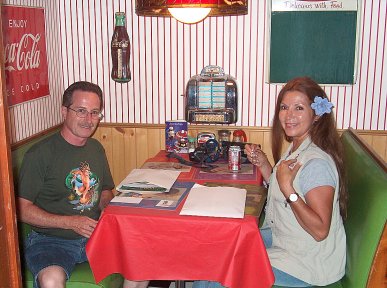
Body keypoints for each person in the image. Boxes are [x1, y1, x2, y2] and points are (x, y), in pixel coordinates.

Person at [193, 76, 347, 287]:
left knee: (214, 278)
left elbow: (320, 230)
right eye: (284, 107)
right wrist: (265, 166)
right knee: (220, 248)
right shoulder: (297, 147)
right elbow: (286, 182)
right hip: (286, 239)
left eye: (299, 108)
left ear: (317, 115)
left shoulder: (316, 164)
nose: (289, 115)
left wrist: (287, 189)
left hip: (307, 263)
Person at [17, 81, 149, 288]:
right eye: (81, 111)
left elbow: (105, 191)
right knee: (51, 279)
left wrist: (106, 207)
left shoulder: (95, 148)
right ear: (64, 111)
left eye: (95, 112)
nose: (89, 120)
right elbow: (21, 210)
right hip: (50, 240)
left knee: (143, 258)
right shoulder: (40, 154)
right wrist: (69, 222)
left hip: (95, 235)